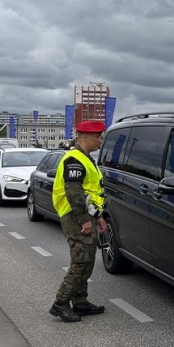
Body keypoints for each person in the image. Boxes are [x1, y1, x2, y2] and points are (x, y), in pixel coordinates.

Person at [49, 120, 108, 322]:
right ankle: (61, 303)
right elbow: (74, 192)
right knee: (80, 261)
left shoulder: (85, 158)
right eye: (97, 136)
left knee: (87, 260)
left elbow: (91, 192)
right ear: (84, 137)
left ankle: (80, 302)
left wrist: (98, 217)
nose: (100, 140)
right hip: (75, 216)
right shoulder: (74, 159)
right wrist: (84, 219)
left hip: (85, 215)